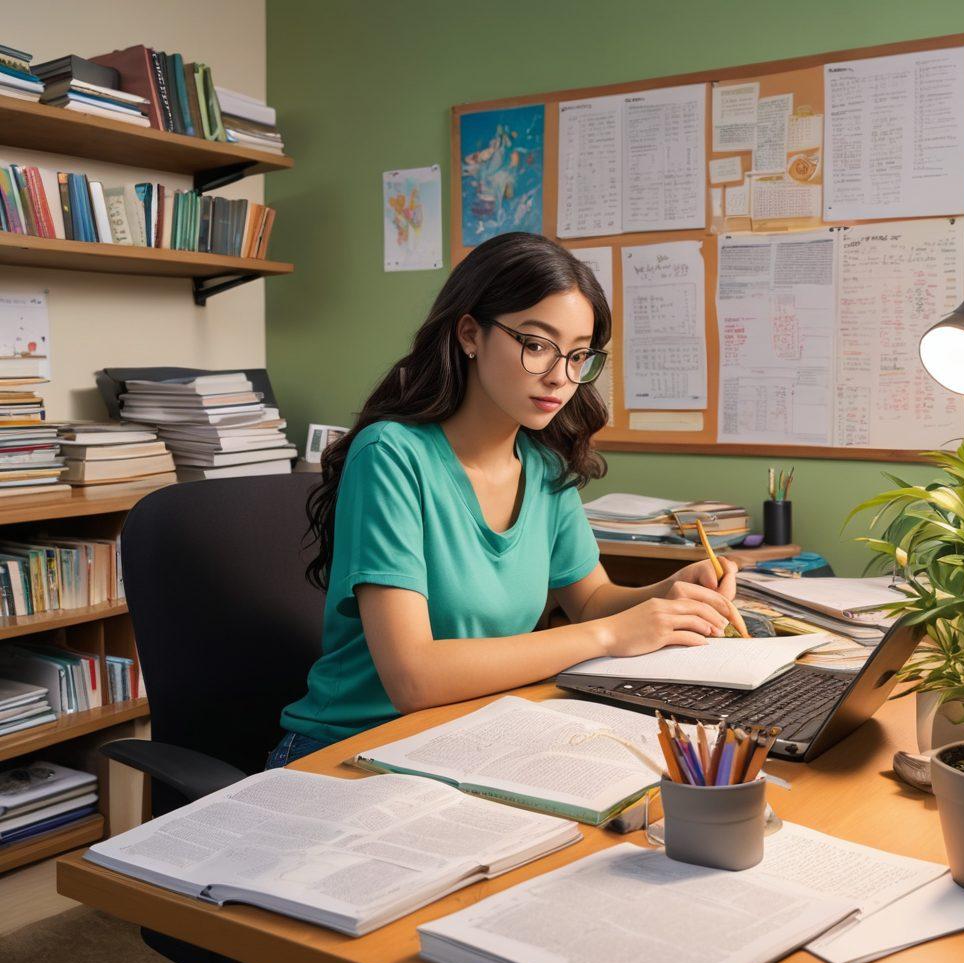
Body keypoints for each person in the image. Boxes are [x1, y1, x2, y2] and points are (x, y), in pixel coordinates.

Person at [267, 232, 744, 768]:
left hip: (474, 740)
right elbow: (412, 677)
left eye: (579, 356)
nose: (561, 378)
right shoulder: (391, 457)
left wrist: (669, 590)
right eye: (537, 345)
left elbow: (589, 601)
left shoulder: (543, 465)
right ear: (470, 334)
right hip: (348, 752)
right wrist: (612, 634)